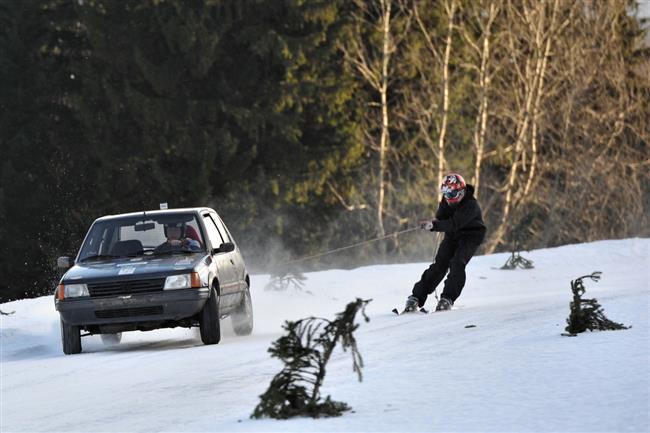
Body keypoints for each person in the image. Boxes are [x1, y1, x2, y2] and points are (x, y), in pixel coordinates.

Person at [405, 173, 486, 312]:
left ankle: (448, 298)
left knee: (457, 262)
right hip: (453, 234)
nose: (448, 197)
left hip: (471, 235)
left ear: (461, 192)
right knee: (440, 265)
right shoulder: (446, 200)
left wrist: (435, 226)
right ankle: (416, 297)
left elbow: (455, 223)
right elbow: (441, 217)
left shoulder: (470, 205)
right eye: (446, 193)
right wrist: (434, 223)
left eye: (452, 193)